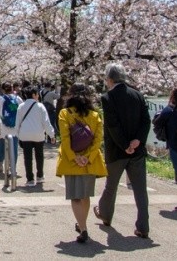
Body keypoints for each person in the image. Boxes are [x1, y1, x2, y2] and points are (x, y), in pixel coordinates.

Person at [95, 63, 152, 239]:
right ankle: (143, 226)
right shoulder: (138, 95)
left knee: (111, 186)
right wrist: (137, 141)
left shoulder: (107, 97)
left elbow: (112, 125)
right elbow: (146, 121)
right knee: (140, 190)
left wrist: (124, 145)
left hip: (117, 151)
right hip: (137, 151)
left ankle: (105, 214)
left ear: (110, 79)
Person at [56, 83, 107, 243]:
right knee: (85, 196)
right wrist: (88, 157)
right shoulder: (95, 115)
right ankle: (82, 225)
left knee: (75, 197)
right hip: (89, 163)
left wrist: (74, 157)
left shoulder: (65, 113)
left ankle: (83, 227)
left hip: (71, 163)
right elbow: (98, 140)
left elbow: (65, 138)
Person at [17, 86, 55, 186]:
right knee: (39, 156)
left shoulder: (21, 106)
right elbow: (46, 122)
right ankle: (40, 176)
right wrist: (51, 135)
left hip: (25, 135)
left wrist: (17, 135)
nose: (38, 96)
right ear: (34, 95)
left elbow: (17, 123)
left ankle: (30, 179)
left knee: (27, 158)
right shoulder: (40, 106)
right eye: (37, 94)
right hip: (38, 135)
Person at [0, 82, 21, 173]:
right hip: (15, 127)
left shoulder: (0, 99)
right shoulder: (18, 99)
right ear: (12, 89)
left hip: (3, 126)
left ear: (3, 90)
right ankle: (13, 166)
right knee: (14, 147)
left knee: (1, 145)